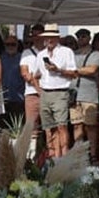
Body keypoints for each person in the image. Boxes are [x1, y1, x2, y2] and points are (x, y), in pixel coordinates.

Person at [35, 24, 78, 159]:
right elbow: (35, 75)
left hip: (60, 92)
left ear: (58, 38)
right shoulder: (41, 54)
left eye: (52, 37)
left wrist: (58, 70)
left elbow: (74, 73)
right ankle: (54, 157)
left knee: (62, 126)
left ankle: (64, 157)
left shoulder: (66, 52)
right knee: (49, 128)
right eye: (47, 37)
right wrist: (39, 91)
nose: (49, 39)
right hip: (45, 93)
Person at [69, 28, 99, 163]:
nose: (81, 38)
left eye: (83, 36)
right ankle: (79, 155)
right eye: (79, 37)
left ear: (89, 37)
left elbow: (92, 69)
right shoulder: (72, 54)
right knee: (76, 125)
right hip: (74, 94)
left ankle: (93, 155)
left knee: (91, 126)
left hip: (89, 94)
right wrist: (78, 71)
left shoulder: (96, 53)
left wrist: (74, 70)